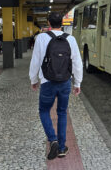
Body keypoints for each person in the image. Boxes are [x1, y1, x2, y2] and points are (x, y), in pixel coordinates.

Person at [29, 12, 83, 160]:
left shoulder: (41, 38)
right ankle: (61, 148)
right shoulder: (70, 39)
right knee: (62, 113)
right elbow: (77, 62)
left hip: (47, 82)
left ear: (48, 23)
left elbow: (36, 61)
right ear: (62, 23)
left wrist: (34, 80)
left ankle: (52, 139)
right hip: (65, 82)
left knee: (44, 110)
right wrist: (77, 83)